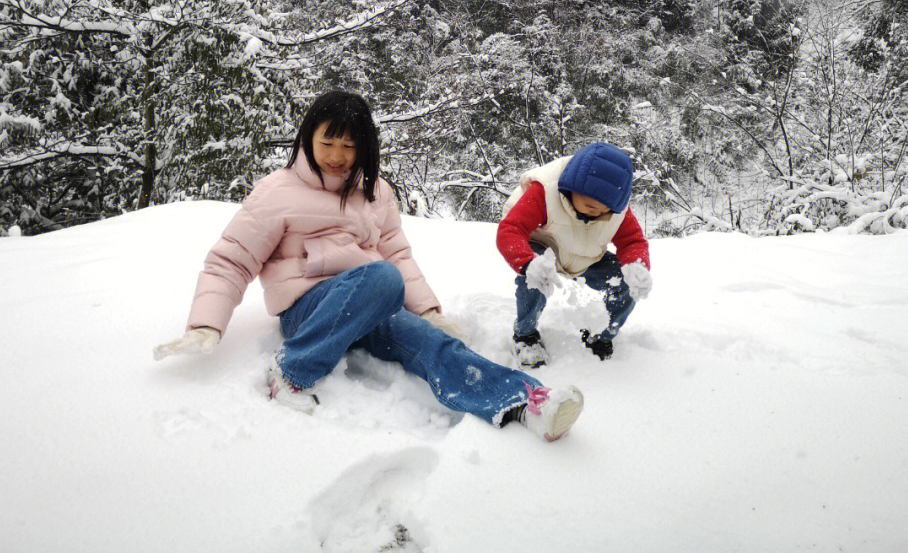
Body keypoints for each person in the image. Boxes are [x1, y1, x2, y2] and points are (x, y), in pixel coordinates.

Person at [154, 90, 583, 441]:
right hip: (309, 310)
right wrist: (205, 325)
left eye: (349, 144)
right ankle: (291, 372)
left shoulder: (376, 191)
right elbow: (231, 259)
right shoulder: (276, 192)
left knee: (432, 343)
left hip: (375, 300)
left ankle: (526, 402)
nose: (337, 155)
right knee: (381, 276)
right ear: (307, 137)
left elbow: (398, 254)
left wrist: (431, 312)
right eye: (327, 141)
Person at [496, 142, 653, 367]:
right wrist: (528, 263)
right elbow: (510, 229)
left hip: (587, 257)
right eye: (590, 205)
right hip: (543, 247)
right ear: (572, 188)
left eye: (604, 210)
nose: (596, 212)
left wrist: (637, 266)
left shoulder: (617, 207)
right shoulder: (545, 192)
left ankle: (603, 335)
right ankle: (525, 336)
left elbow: (632, 241)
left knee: (626, 284)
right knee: (534, 281)